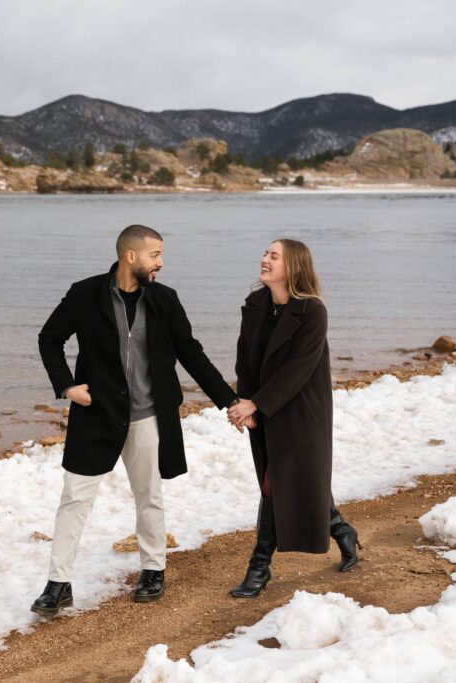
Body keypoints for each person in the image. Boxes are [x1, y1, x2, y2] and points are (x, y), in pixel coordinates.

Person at [32, 224, 239, 616]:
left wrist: (229, 402)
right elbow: (49, 338)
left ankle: (152, 569)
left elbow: (191, 354)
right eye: (155, 254)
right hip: (96, 416)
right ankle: (58, 584)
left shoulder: (166, 300)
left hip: (148, 416)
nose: (161, 262)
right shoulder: (85, 294)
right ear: (131, 257)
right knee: (74, 497)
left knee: (149, 495)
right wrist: (67, 387)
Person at [226, 238, 360, 599]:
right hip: (265, 408)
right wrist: (245, 400)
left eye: (274, 256)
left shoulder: (312, 311)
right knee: (296, 479)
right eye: (265, 253)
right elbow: (245, 358)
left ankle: (259, 568)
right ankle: (342, 530)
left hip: (303, 411)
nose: (264, 259)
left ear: (294, 267)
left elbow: (299, 369)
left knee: (275, 483)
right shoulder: (256, 304)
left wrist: (256, 405)